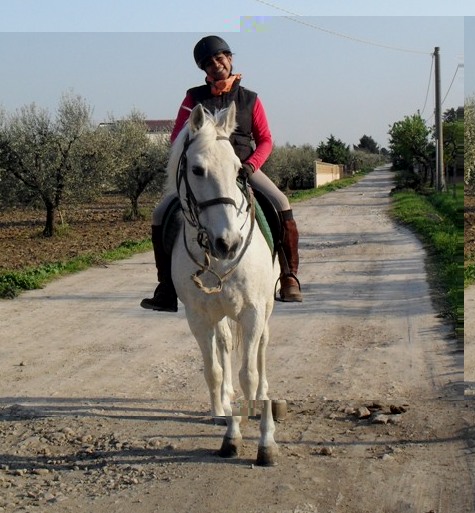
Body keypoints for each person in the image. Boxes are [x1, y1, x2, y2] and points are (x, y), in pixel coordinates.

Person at [141, 35, 302, 312]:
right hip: (205, 172)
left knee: (281, 203)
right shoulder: (193, 98)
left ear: (230, 59)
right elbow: (176, 139)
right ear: (203, 70)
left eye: (220, 59)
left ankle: (288, 275)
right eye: (209, 63)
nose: (216, 66)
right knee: (160, 214)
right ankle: (166, 286)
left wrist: (250, 165)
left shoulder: (250, 99)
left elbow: (265, 139)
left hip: (242, 167)